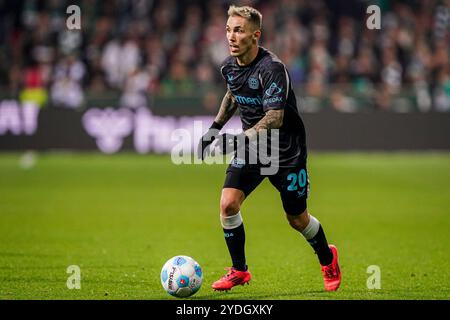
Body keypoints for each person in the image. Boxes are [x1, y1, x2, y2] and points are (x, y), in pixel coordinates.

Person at [198, 5, 341, 292]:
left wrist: (237, 140)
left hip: (287, 152)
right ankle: (239, 270)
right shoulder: (228, 66)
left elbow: (275, 117)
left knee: (297, 218)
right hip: (254, 149)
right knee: (228, 204)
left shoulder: (272, 69)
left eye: (238, 30)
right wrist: (215, 127)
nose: (231, 36)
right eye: (228, 29)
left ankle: (328, 258)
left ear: (255, 35)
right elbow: (233, 94)